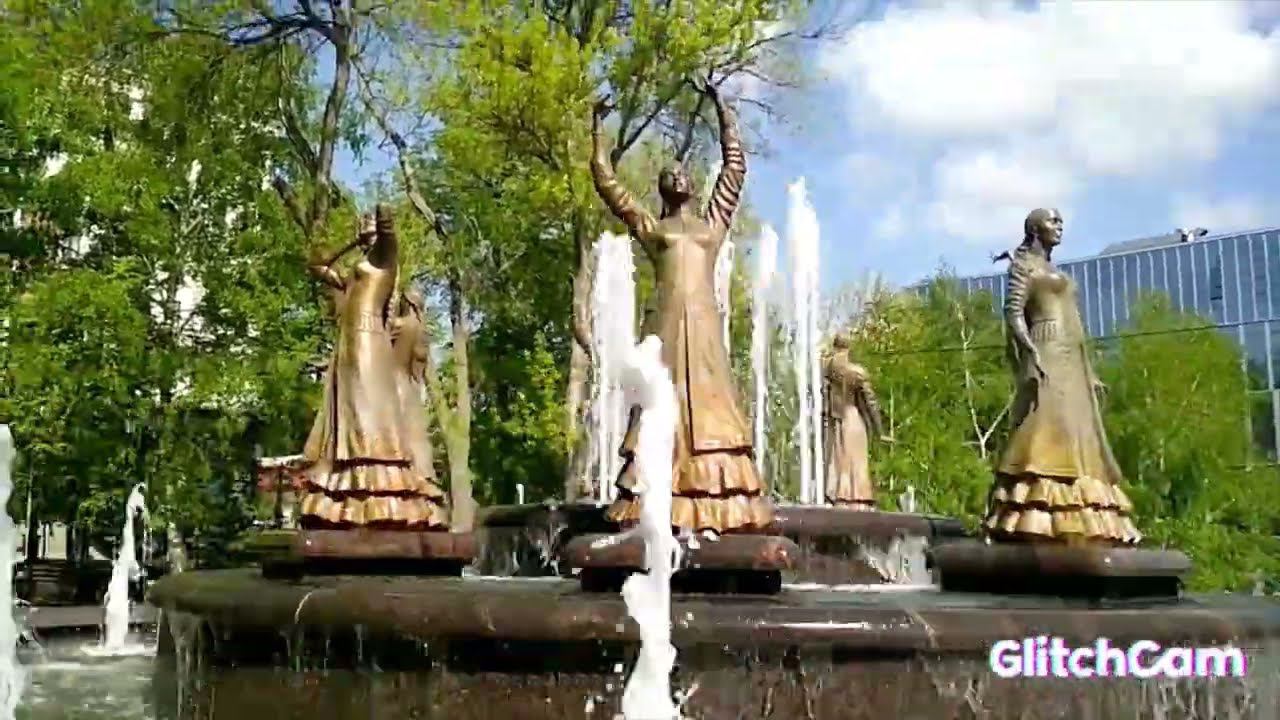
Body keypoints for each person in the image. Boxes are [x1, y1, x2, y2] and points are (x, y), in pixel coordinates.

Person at [589, 80, 771, 534]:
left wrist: (722, 110)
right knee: (659, 400)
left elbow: (735, 170)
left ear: (691, 185)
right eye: (668, 175)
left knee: (712, 400)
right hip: (666, 327)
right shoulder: (653, 229)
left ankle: (721, 501)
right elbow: (608, 185)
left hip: (705, 328)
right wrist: (597, 130)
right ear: (662, 190)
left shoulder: (713, 225)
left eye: (682, 172)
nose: (677, 176)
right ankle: (649, 494)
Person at [984, 208, 1140, 545]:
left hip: (1073, 354)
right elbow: (1013, 311)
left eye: (1061, 222)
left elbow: (1075, 319)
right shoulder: (1024, 266)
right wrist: (1029, 350)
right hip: (1047, 347)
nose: (1059, 227)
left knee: (1079, 429)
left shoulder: (1056, 271)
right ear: (1035, 229)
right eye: (1053, 222)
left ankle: (1084, 510)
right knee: (1047, 423)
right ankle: (1032, 508)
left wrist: (1089, 371)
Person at [298, 206, 448, 529]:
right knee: (348, 411)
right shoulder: (353, 273)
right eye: (362, 224)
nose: (365, 228)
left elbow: (389, 231)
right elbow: (317, 265)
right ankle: (347, 488)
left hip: (369, 337)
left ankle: (381, 485)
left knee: (367, 408)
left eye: (369, 225)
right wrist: (352, 243)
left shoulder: (384, 261)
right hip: (347, 343)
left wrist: (380, 221)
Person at [823, 334, 885, 509]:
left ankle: (839, 496)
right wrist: (879, 431)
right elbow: (870, 403)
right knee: (855, 459)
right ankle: (857, 497)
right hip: (852, 418)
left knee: (839, 458)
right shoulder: (856, 372)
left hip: (836, 420)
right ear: (849, 348)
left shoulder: (827, 369)